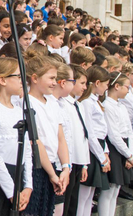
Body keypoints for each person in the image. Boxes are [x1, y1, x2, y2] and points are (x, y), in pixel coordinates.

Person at [0, 57, 33, 215]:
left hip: (20, 175)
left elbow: (27, 150)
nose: (23, 80)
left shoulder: (18, 109)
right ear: (2, 80)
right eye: (18, 76)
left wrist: (28, 185)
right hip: (1, 180)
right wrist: (11, 192)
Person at [23, 53, 68, 216]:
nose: (54, 83)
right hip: (37, 167)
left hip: (53, 166)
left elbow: (60, 138)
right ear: (35, 78)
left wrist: (65, 168)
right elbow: (35, 140)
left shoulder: (53, 103)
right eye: (51, 78)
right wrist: (51, 173)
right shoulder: (27, 101)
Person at [76, 66, 111, 216]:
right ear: (97, 82)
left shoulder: (95, 101)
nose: (107, 87)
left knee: (90, 193)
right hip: (91, 149)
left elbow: (103, 130)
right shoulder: (86, 103)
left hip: (100, 147)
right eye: (106, 84)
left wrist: (105, 152)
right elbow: (90, 132)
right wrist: (101, 156)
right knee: (83, 194)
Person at [100, 72, 133, 216]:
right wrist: (128, 154)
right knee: (109, 189)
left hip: (124, 147)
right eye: (127, 87)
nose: (128, 90)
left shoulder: (121, 106)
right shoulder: (107, 105)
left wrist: (130, 155)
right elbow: (114, 135)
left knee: (116, 189)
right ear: (117, 86)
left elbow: (129, 131)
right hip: (115, 148)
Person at [59, 65, 89, 216]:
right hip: (69, 160)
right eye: (82, 83)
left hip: (79, 159)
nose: (85, 87)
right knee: (66, 202)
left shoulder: (78, 105)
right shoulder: (63, 104)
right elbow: (67, 136)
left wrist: (84, 163)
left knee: (73, 201)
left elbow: (83, 135)